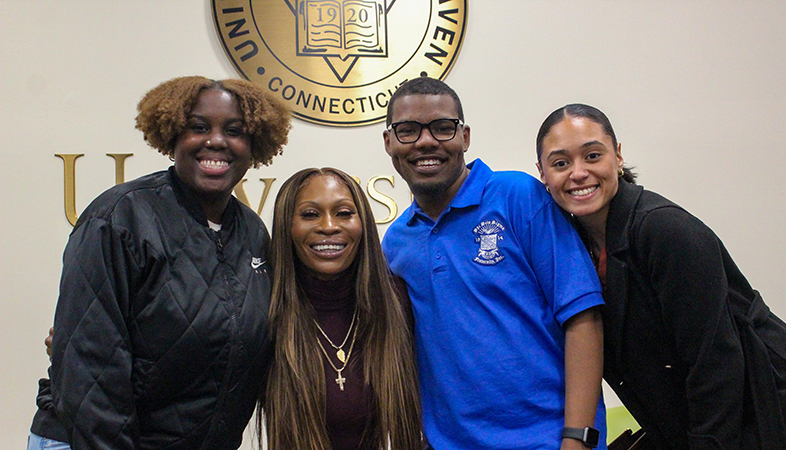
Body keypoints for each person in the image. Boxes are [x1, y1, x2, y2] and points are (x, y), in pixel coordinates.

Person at [28, 75, 292, 450]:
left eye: (234, 131)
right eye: (198, 127)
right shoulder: (120, 218)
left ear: (255, 144)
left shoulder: (252, 232)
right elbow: (90, 370)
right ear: (172, 137)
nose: (216, 141)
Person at [535, 103, 786, 450]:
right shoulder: (574, 245)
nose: (579, 173)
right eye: (561, 163)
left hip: (773, 412)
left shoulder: (663, 229)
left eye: (593, 156)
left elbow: (715, 364)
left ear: (617, 156)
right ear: (542, 174)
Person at [381, 77, 607, 449]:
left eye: (442, 127)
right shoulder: (396, 242)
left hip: (549, 440)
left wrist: (578, 438)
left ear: (465, 137)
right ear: (389, 142)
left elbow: (583, 318)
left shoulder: (518, 196)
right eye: (408, 131)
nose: (425, 141)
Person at [257, 168, 424, 450]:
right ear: (287, 226)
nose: (329, 226)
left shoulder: (396, 302)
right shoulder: (266, 311)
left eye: (344, 213)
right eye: (310, 214)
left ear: (363, 223)